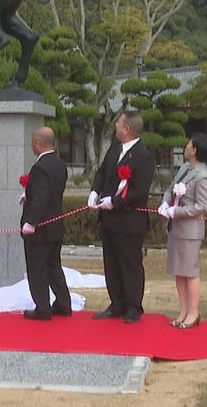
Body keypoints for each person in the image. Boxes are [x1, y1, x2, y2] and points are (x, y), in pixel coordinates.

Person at [87, 111, 154, 323]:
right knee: (111, 263)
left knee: (130, 265)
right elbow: (102, 173)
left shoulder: (143, 155)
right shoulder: (114, 150)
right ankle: (116, 303)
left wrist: (114, 202)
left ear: (128, 129)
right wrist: (95, 192)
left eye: (118, 122)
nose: (115, 125)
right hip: (109, 220)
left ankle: (133, 307)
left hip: (129, 220)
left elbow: (140, 190)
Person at [157, 133, 207, 329]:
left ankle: (193, 312)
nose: (186, 146)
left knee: (190, 271)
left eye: (189, 144)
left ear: (195, 149)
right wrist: (165, 203)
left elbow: (201, 206)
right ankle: (183, 310)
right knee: (178, 271)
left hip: (190, 230)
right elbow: (170, 189)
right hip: (176, 227)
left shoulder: (203, 176)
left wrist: (177, 211)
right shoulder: (184, 168)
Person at [20, 126, 71, 321]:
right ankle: (64, 303)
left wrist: (30, 222)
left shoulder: (40, 167)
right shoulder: (59, 164)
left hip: (40, 228)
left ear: (39, 143)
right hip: (55, 224)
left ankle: (42, 307)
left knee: (37, 267)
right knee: (53, 266)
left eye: (33, 142)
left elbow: (41, 198)